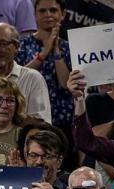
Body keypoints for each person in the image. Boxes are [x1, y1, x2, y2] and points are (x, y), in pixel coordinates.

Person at [17, 0, 73, 130]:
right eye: (42, 11)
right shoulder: (22, 45)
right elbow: (19, 79)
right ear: (34, 15)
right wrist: (44, 53)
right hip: (31, 119)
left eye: (53, 10)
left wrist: (56, 51)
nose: (48, 14)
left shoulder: (70, 47)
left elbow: (66, 83)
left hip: (64, 121)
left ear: (62, 14)